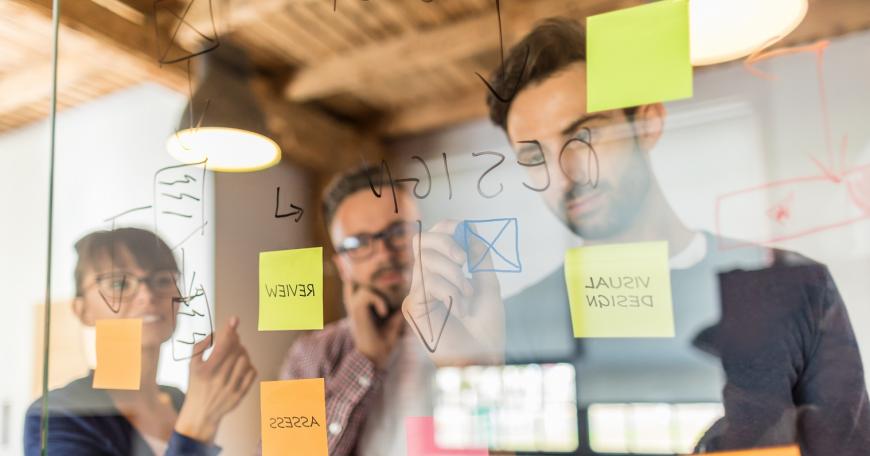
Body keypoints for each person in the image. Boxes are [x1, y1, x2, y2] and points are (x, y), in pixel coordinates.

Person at [403, 17, 870, 455]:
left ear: (648, 122)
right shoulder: (516, 324)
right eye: (533, 157)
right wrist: (476, 375)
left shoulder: (792, 286)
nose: (564, 175)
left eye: (584, 135)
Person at [25, 227, 256, 455]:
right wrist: (198, 422)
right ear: (82, 310)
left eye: (163, 280)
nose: (147, 295)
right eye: (119, 284)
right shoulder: (57, 414)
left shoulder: (179, 400)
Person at [276, 165, 435, 456]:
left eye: (398, 231)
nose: (385, 253)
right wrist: (366, 360)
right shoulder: (308, 355)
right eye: (360, 243)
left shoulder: (467, 337)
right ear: (342, 267)